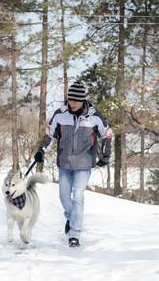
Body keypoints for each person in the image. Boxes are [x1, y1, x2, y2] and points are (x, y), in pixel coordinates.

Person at [34, 81, 112, 248]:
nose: (72, 103)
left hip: (84, 163)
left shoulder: (95, 116)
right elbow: (50, 135)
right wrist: (42, 151)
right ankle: (72, 217)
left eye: (76, 101)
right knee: (63, 196)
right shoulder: (60, 114)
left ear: (83, 100)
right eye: (70, 100)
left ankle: (74, 234)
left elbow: (106, 134)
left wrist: (106, 155)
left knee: (78, 196)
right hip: (65, 163)